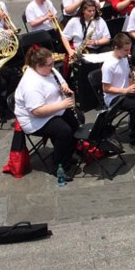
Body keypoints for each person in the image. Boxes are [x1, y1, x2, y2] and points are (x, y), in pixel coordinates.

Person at [14, 47, 81, 175]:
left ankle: (66, 154)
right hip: (35, 120)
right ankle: (59, 167)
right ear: (38, 65)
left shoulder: (48, 70)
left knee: (78, 119)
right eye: (50, 65)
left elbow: (61, 82)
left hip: (53, 108)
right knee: (64, 131)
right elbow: (37, 111)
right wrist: (62, 105)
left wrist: (65, 88)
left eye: (52, 63)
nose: (53, 67)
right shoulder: (30, 84)